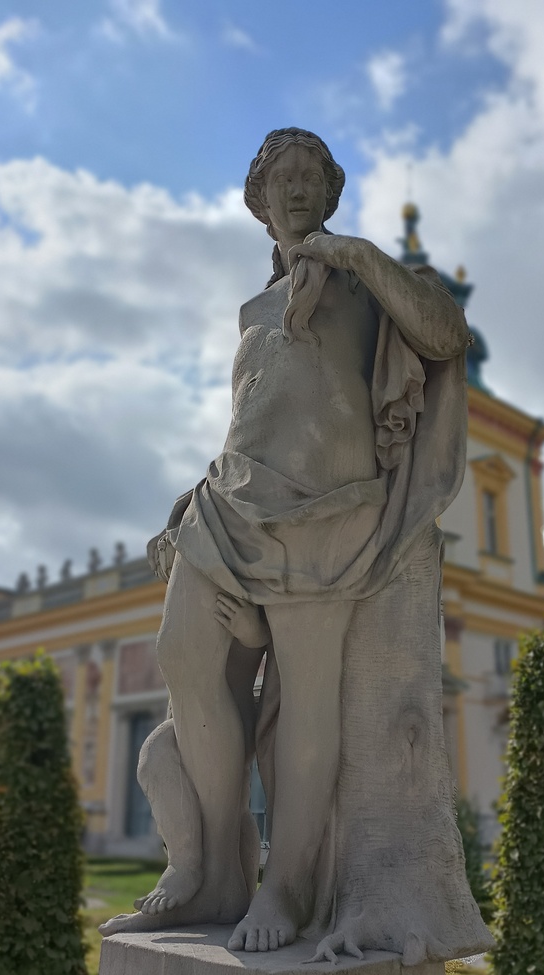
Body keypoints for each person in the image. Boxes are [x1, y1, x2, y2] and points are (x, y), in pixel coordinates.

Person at [99, 128, 470, 954]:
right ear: (259, 200)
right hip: (229, 504)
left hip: (329, 512)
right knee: (184, 657)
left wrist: (357, 255)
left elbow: (447, 337)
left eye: (311, 178)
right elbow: (256, 414)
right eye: (282, 178)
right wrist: (188, 502)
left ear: (330, 195)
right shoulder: (254, 308)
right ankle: (210, 867)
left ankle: (288, 883)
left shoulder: (367, 279)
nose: (297, 189)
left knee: (308, 695)